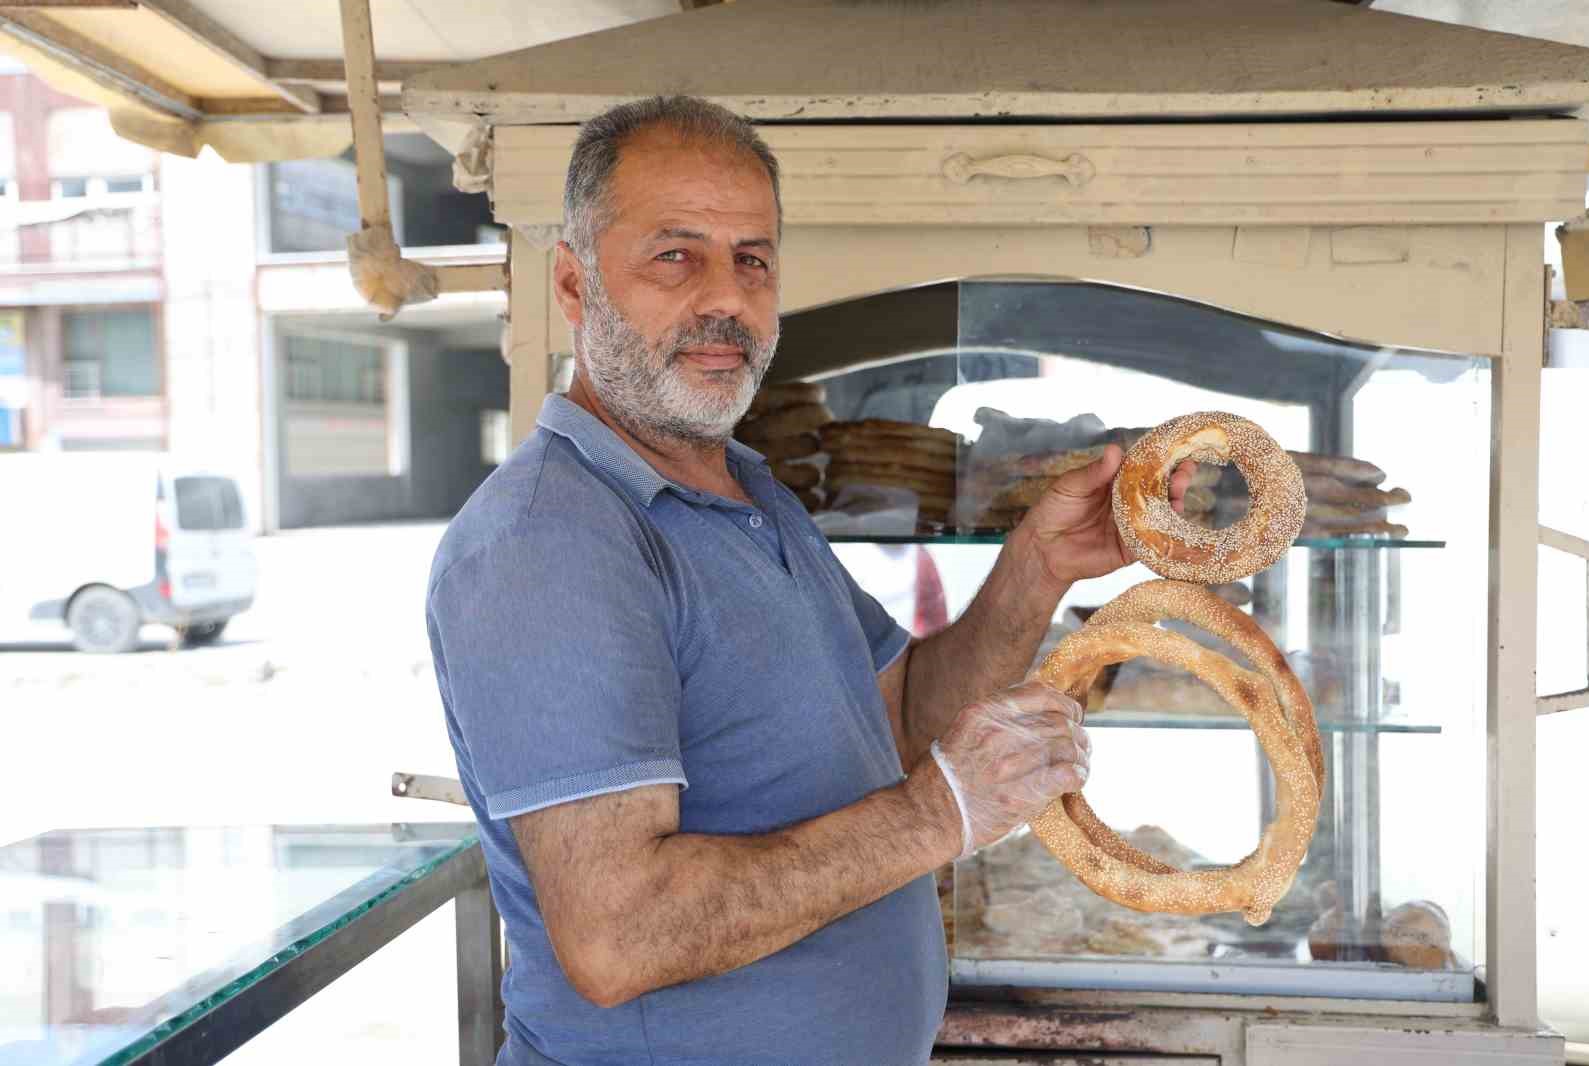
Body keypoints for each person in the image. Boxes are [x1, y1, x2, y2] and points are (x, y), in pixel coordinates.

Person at [425, 95, 1190, 1066]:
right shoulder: (552, 542)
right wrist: (938, 813)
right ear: (574, 287)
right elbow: (619, 936)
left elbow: (899, 714)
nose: (726, 298)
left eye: (753, 258)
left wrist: (1034, 567)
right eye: (675, 254)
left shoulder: (751, 491)